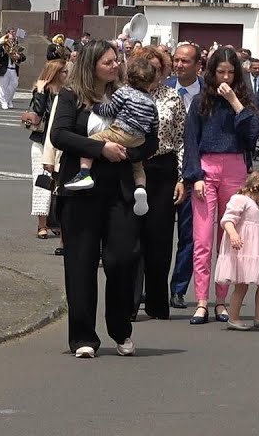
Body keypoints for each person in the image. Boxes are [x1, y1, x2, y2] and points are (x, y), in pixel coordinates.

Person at [50, 40, 159, 358]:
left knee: (123, 257)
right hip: (80, 190)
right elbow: (59, 134)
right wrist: (100, 149)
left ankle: (121, 328)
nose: (115, 66)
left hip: (120, 189)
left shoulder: (127, 95)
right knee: (80, 264)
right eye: (108, 62)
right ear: (91, 65)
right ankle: (83, 337)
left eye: (116, 61)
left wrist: (128, 154)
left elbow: (150, 139)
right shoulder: (71, 95)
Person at [183, 46, 259, 324]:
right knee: (203, 239)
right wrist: (194, 176)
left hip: (235, 167)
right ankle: (201, 301)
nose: (225, 78)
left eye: (230, 72)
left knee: (229, 239)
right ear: (212, 73)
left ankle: (221, 300)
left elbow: (253, 133)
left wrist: (235, 103)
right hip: (207, 168)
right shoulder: (200, 102)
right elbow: (190, 140)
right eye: (220, 72)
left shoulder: (245, 101)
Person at [63, 56, 160, 218]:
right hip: (139, 139)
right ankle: (141, 188)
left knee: (91, 142)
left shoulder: (123, 92)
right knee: (138, 166)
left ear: (129, 77)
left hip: (120, 132)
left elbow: (110, 111)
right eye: (108, 62)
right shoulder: (151, 101)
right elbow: (155, 125)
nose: (115, 65)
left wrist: (95, 107)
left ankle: (84, 173)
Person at [132, 46, 185, 320]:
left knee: (160, 239)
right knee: (131, 238)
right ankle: (129, 303)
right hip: (132, 167)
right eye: (148, 67)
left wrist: (181, 178)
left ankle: (156, 302)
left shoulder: (172, 97)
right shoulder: (126, 95)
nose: (153, 73)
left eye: (158, 68)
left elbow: (181, 140)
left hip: (163, 169)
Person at [217, 169, 259, 331]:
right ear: (257, 190)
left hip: (255, 251)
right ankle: (233, 317)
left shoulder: (251, 203)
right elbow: (227, 219)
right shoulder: (240, 199)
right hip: (243, 251)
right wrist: (233, 234)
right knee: (241, 285)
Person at [167, 43, 204, 310]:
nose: (179, 65)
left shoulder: (208, 94)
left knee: (189, 235)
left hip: (195, 173)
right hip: (165, 171)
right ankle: (150, 286)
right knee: (156, 234)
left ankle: (178, 288)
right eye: (176, 60)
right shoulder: (163, 87)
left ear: (198, 65)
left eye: (185, 61)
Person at [29, 59, 69, 240]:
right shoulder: (44, 91)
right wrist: (39, 92)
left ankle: (56, 222)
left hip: (60, 144)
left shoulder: (68, 93)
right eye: (64, 72)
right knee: (42, 183)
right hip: (41, 142)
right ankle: (42, 224)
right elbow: (38, 114)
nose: (67, 74)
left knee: (59, 185)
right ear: (55, 73)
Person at [0, 28, 26, 110]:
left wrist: (19, 56)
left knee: (14, 85)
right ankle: (4, 102)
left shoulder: (15, 46)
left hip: (14, 69)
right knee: (3, 87)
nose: (11, 40)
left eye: (12, 39)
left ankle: (9, 100)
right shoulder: (1, 45)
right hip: (4, 68)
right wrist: (4, 52)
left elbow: (23, 57)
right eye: (10, 39)